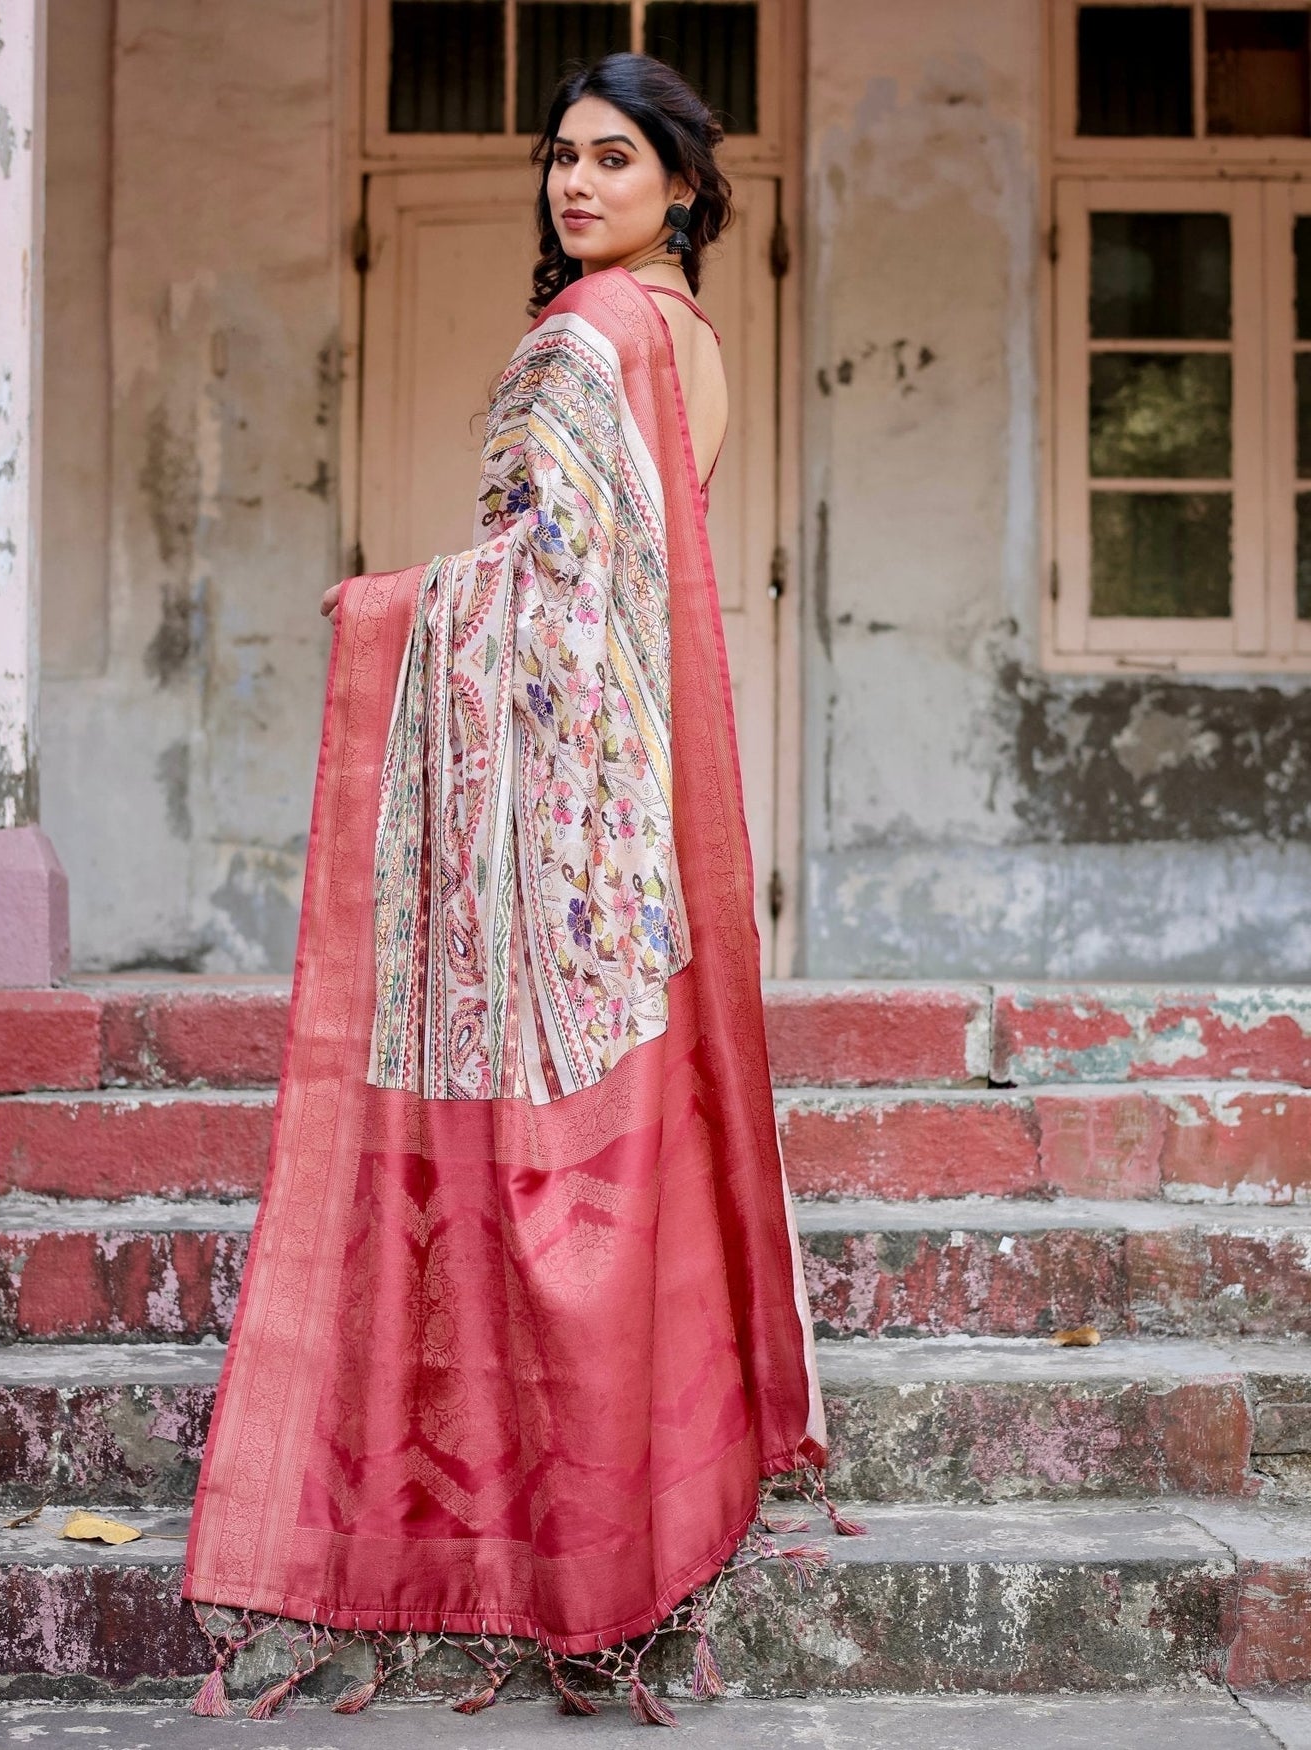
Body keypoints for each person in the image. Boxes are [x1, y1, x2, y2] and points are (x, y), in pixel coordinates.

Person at [182, 51, 848, 1726]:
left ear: (684, 186)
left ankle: (541, 1547)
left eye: (614, 160)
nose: (576, 184)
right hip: (636, 781)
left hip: (550, 807)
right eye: (561, 158)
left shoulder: (591, 336)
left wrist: (386, 611)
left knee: (532, 1159)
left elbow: (544, 586)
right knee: (612, 1155)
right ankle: (631, 1520)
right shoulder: (693, 339)